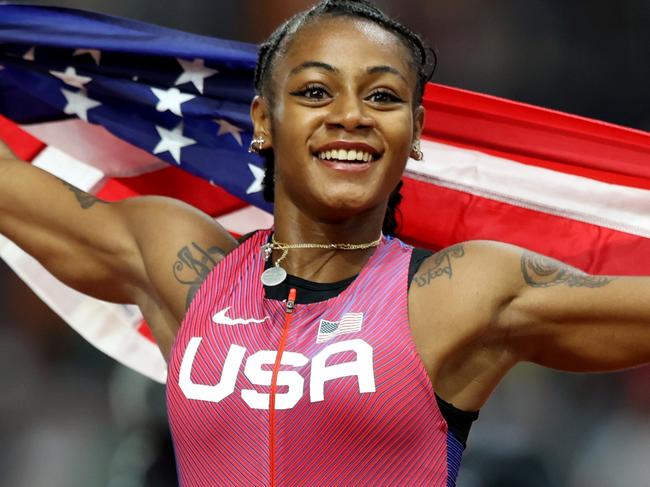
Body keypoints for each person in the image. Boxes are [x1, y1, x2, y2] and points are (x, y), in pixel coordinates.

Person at [0, 0, 648, 485]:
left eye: (384, 96)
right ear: (263, 118)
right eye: (315, 91)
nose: (351, 114)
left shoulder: (457, 295)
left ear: (414, 131)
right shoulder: (183, 270)